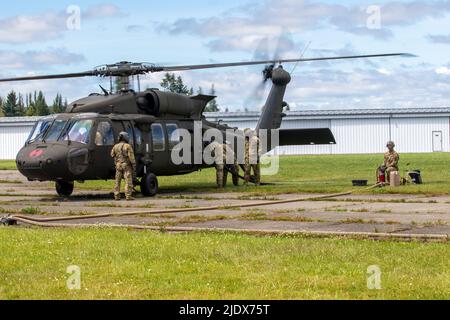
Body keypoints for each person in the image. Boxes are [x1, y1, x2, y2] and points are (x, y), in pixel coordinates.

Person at [111, 132, 136, 200]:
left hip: (118, 165)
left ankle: (116, 196)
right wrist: (134, 165)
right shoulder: (127, 146)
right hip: (126, 166)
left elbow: (112, 154)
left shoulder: (115, 146)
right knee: (128, 181)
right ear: (125, 137)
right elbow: (131, 157)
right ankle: (128, 196)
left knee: (117, 181)